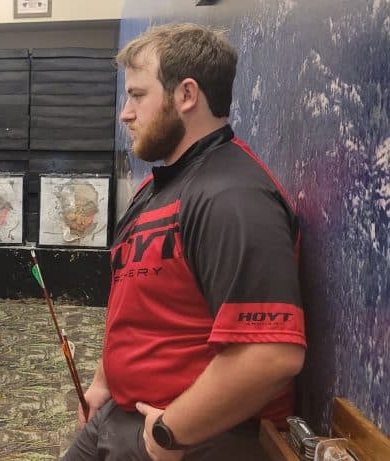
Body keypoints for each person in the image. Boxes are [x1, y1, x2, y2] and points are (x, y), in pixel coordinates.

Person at [62, 23, 306, 461]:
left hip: (190, 438)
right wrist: (103, 382)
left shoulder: (233, 197)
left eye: (137, 95)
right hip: (122, 411)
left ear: (186, 95)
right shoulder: (157, 188)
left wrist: (168, 436)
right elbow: (133, 302)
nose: (125, 113)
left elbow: (270, 356)